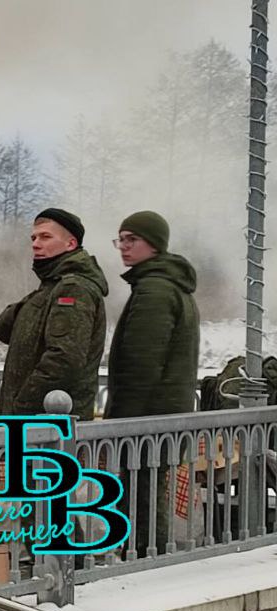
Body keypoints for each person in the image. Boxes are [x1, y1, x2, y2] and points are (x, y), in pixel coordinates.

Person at [105, 211, 200, 554]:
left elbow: (140, 364)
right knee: (146, 494)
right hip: (164, 415)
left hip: (145, 418)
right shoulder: (169, 285)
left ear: (154, 244)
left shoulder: (155, 289)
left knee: (138, 500)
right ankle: (148, 559)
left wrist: (120, 425)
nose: (124, 247)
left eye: (133, 239)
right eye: (121, 239)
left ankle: (144, 564)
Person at [0, 208, 108, 417]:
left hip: (45, 424)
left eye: (46, 237)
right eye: (34, 237)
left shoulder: (74, 288)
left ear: (70, 244)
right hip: (31, 422)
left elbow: (64, 360)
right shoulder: (51, 287)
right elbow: (4, 329)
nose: (36, 244)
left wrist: (21, 406)